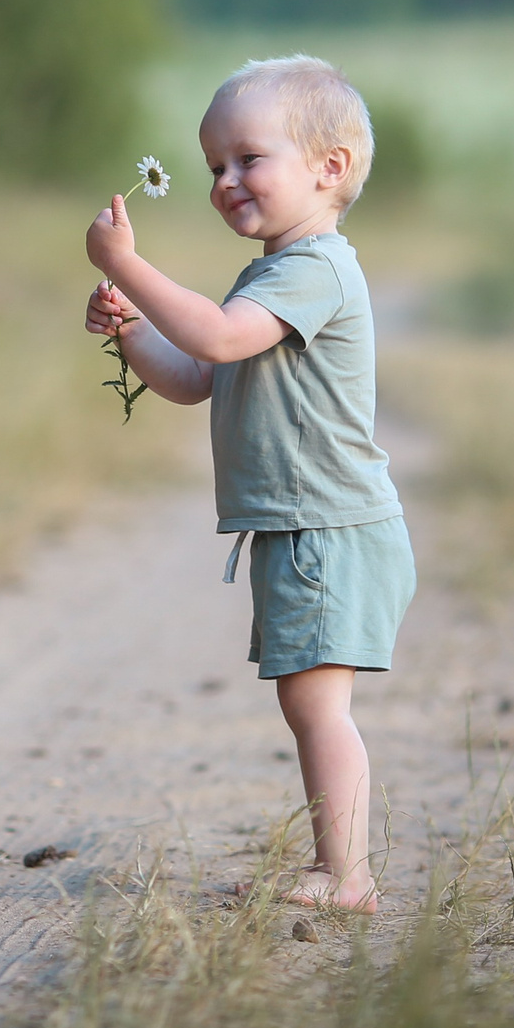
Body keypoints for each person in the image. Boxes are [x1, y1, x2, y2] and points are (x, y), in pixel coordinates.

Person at [82, 55, 414, 911]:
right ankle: (337, 866)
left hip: (326, 531)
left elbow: (221, 341)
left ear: (327, 168)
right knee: (308, 708)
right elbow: (199, 374)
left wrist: (129, 269)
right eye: (212, 168)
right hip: (306, 529)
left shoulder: (314, 268)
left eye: (247, 159)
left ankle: (347, 874)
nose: (225, 182)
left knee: (316, 712)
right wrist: (130, 336)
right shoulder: (271, 276)